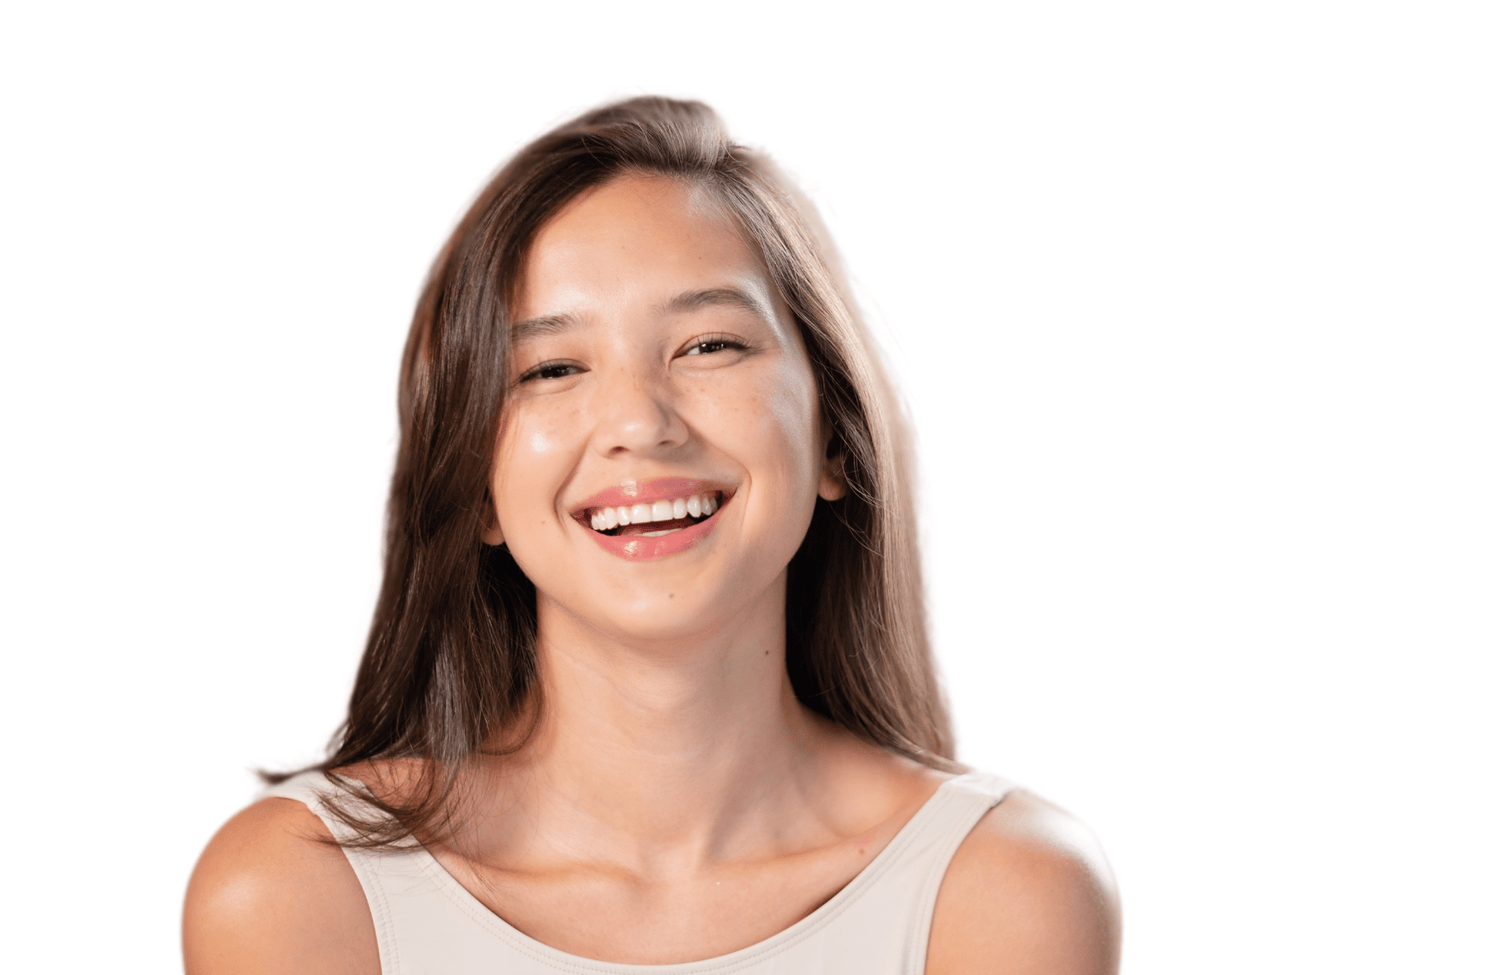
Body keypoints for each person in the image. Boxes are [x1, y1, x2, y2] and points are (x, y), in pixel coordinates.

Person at [183, 96, 1121, 975]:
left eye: (709, 345)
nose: (640, 421)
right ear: (478, 491)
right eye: (551, 367)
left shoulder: (1006, 890)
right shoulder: (297, 890)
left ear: (833, 435)